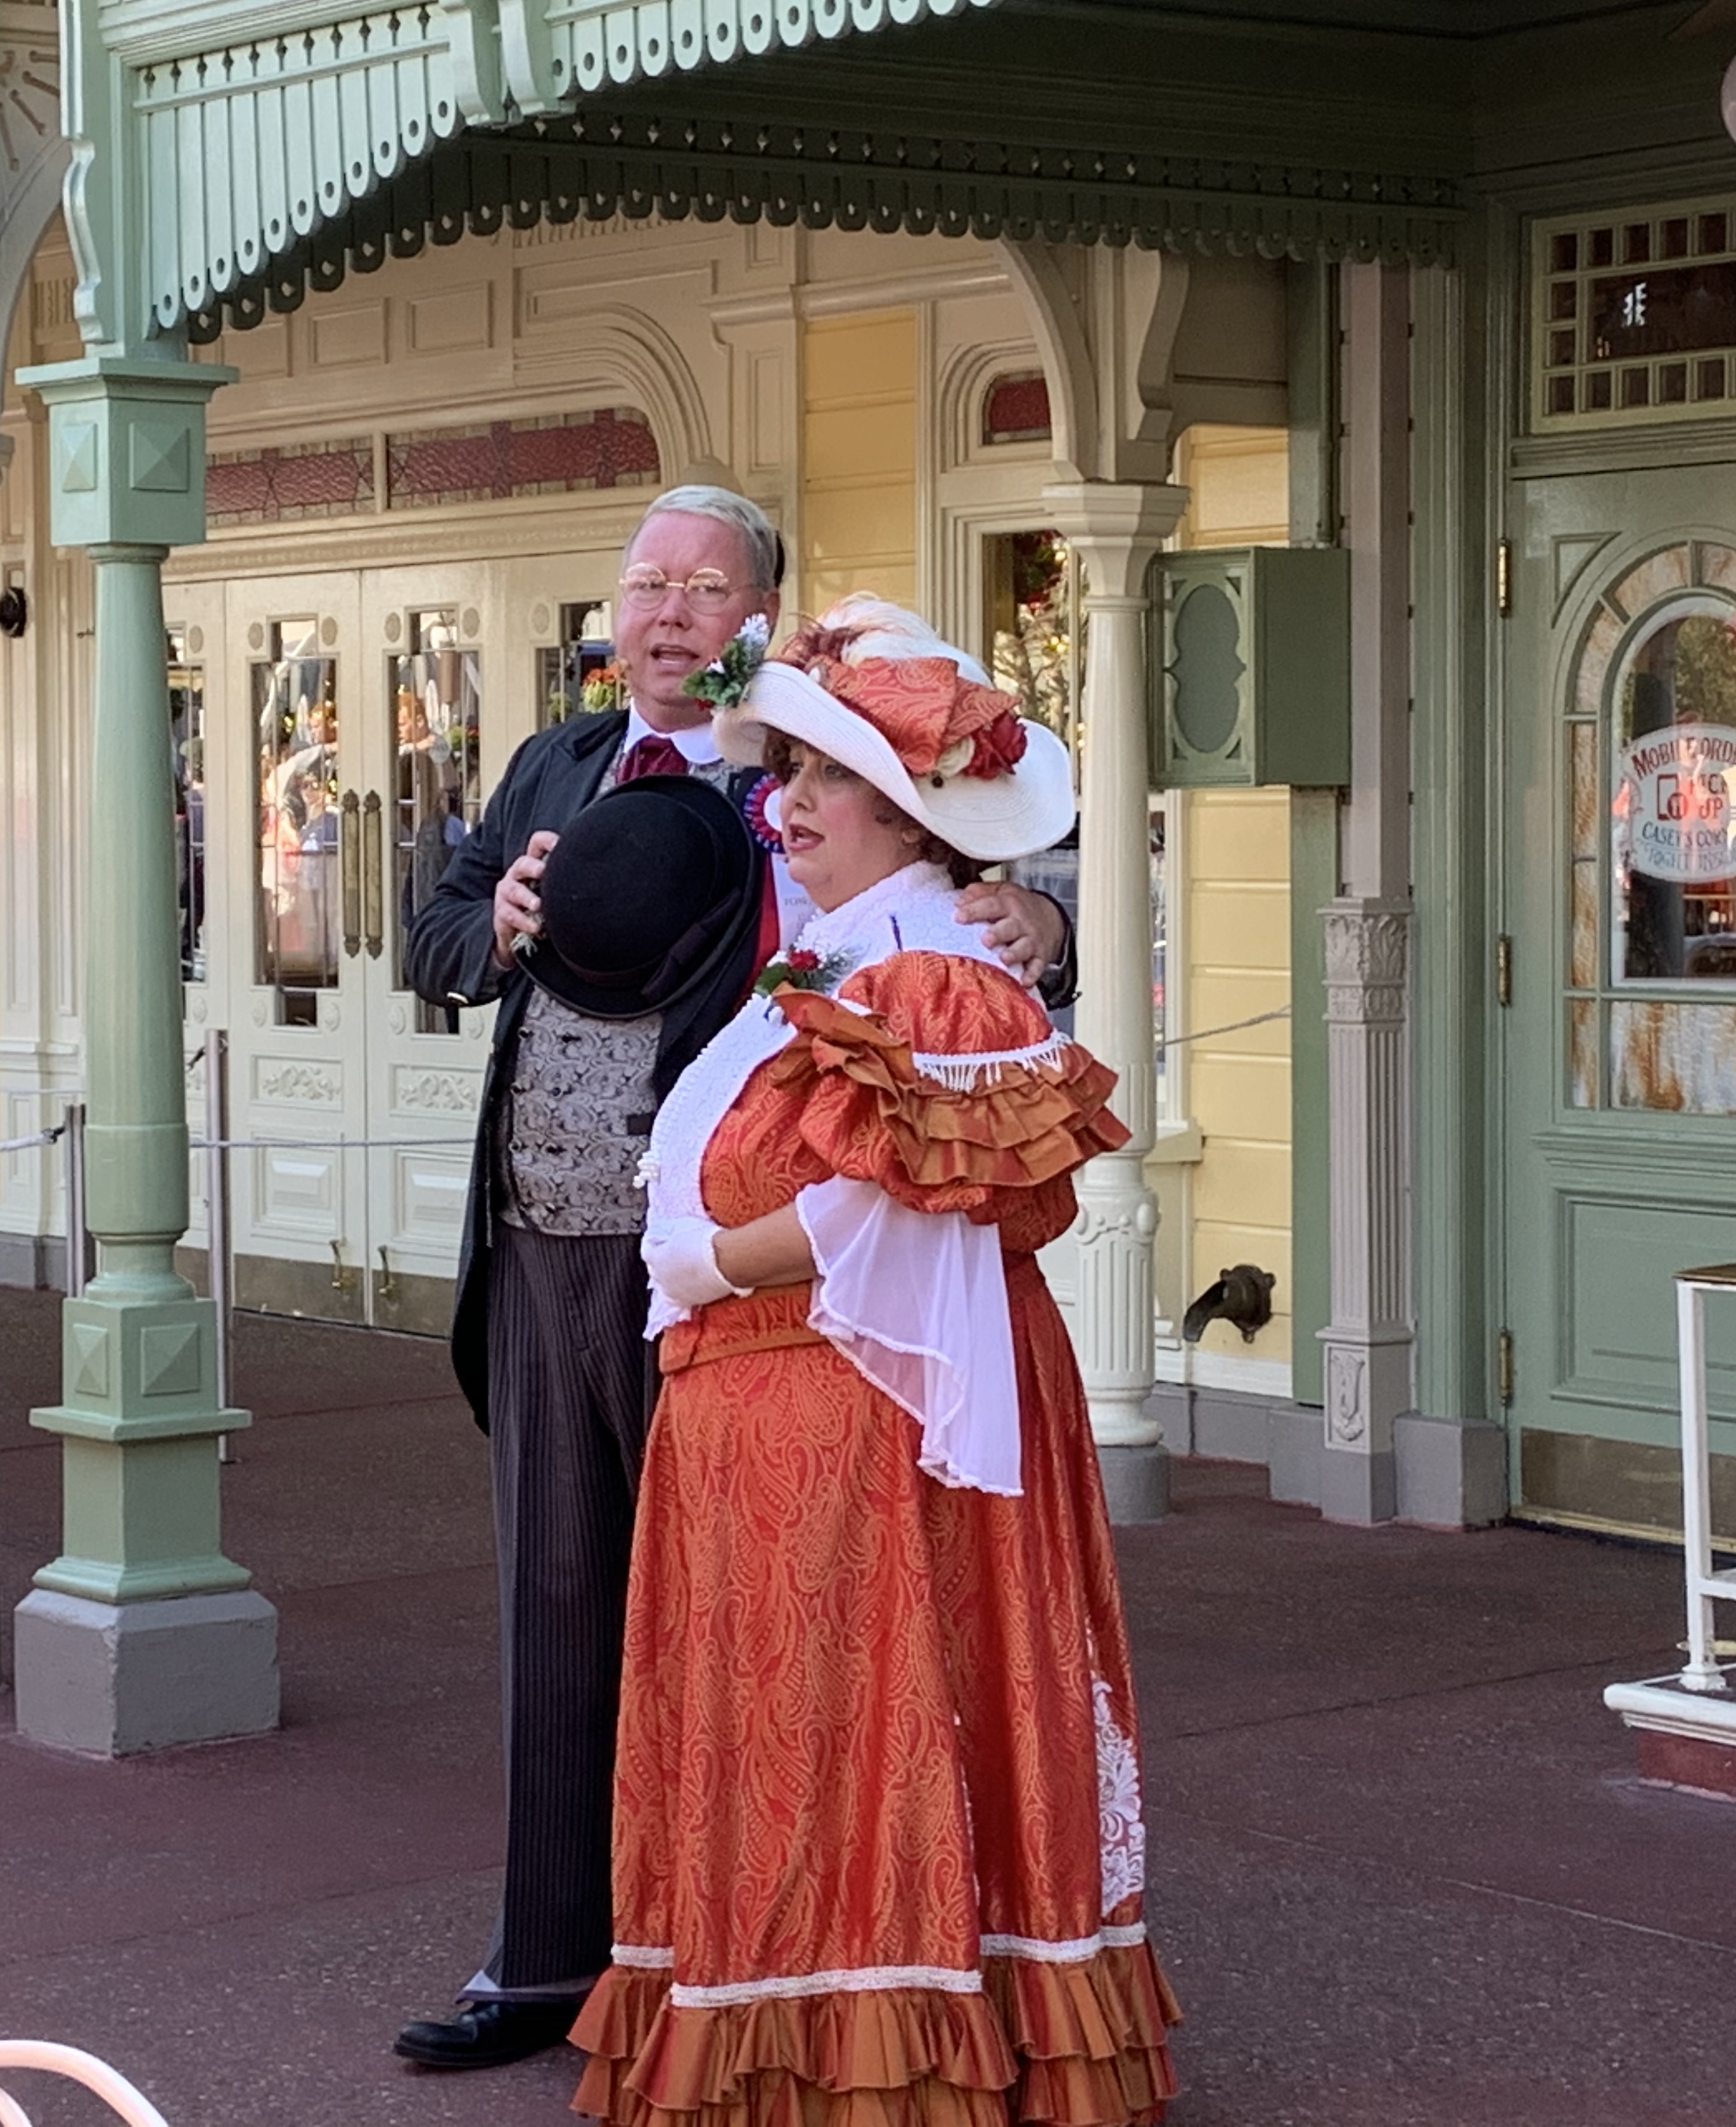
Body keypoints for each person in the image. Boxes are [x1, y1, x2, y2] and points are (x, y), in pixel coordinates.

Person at [393, 488, 1077, 2071]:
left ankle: (720, 1946)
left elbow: (966, 984)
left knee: (711, 1619)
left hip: (758, 1274)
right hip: (549, 1238)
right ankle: (553, 1956)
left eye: (707, 587)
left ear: (761, 615)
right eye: (648, 585)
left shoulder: (809, 792)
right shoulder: (553, 766)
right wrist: (487, 925)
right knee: (560, 1597)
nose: (671, 612)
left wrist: (1034, 917)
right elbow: (426, 935)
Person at [573, 599, 1175, 2125]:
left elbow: (897, 1199)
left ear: (902, 807)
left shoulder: (928, 966)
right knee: (813, 1729)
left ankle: (874, 2058)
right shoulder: (852, 947)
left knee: (863, 1718)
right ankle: (809, 2034)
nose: (785, 805)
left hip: (852, 1410)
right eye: (784, 773)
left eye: (820, 780)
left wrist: (711, 1262)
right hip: (786, 1405)